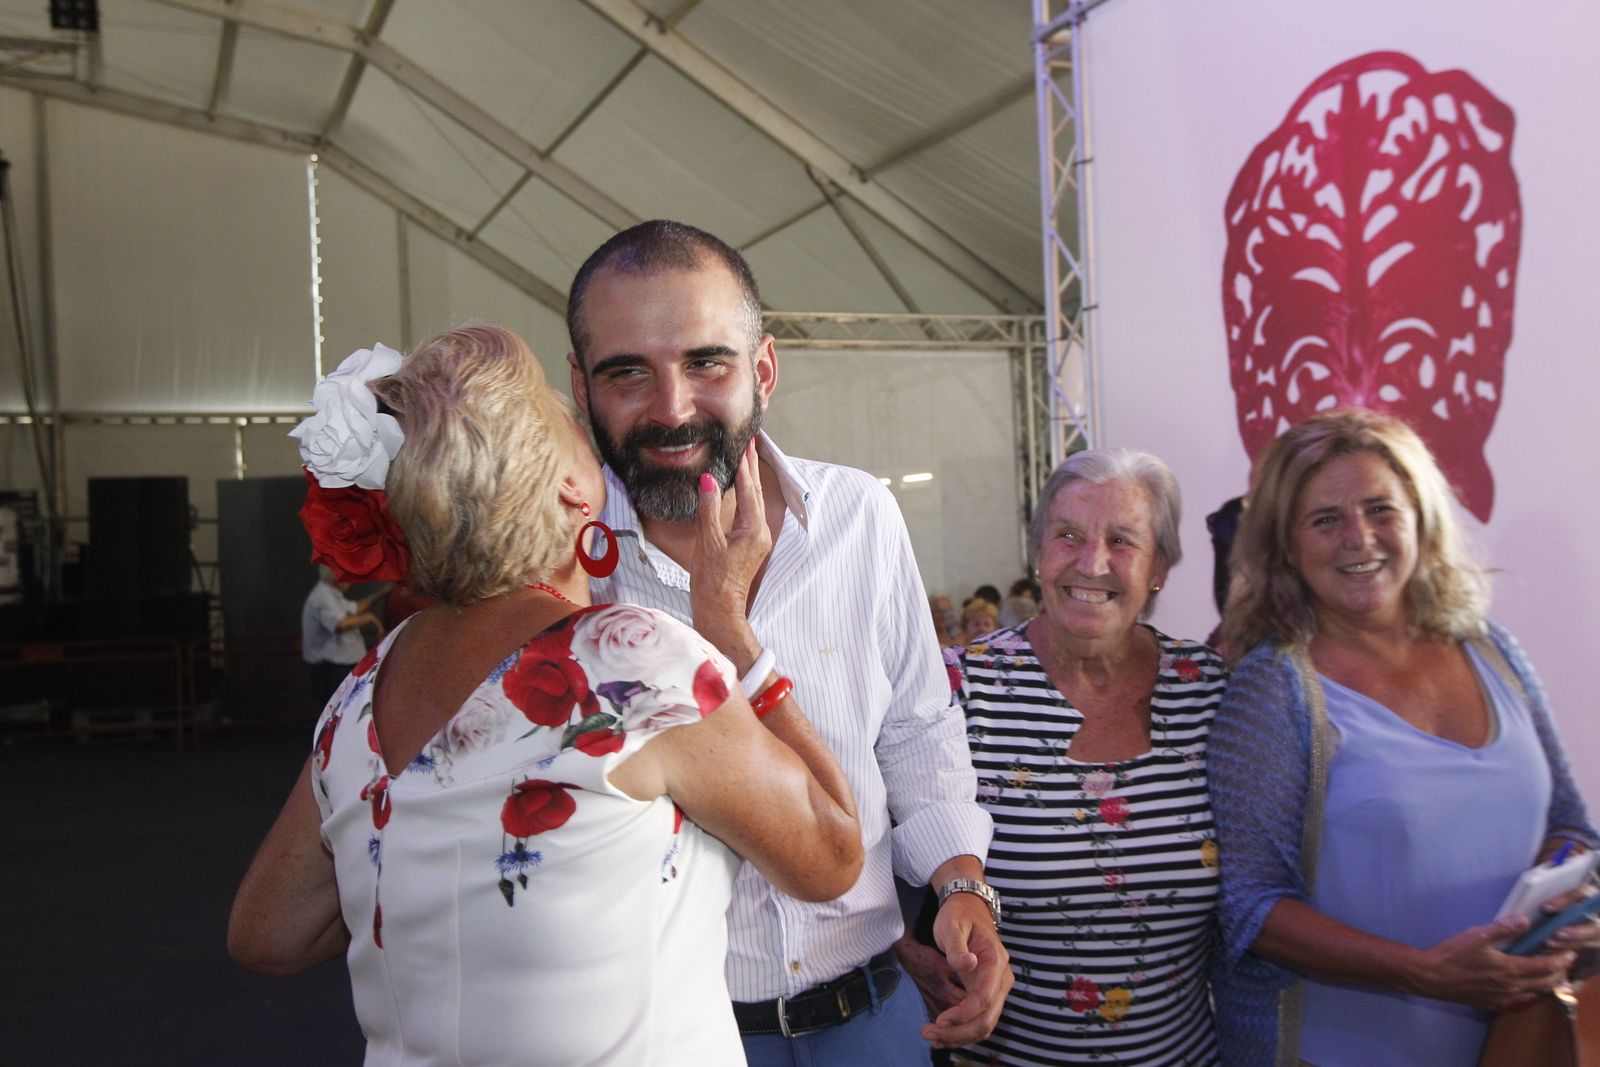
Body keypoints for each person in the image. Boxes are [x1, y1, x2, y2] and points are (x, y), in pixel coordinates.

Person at [229, 326, 864, 1066]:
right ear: (569, 488)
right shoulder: (630, 662)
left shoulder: (364, 690)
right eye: (570, 420)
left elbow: (266, 933)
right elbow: (832, 855)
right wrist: (732, 633)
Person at [565, 219, 1010, 1063]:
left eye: (706, 362)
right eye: (628, 371)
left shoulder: (859, 517)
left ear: (763, 368)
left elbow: (918, 728)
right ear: (582, 386)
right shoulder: (564, 569)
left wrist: (961, 888)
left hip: (876, 1017)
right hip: (672, 1036)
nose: (671, 406)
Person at [1209, 407, 1600, 1066]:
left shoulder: (1491, 648)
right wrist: (1424, 970)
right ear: (1286, 545)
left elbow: (1570, 823)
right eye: (1325, 519)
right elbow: (1251, 908)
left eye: (1380, 508)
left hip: (1513, 1044)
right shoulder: (1274, 688)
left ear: (1421, 516)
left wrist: (1568, 901)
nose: (1359, 538)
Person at [900, 448, 1226, 1066]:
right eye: (1068, 535)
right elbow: (858, 837)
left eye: (1123, 541)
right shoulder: (961, 689)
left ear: (1160, 566)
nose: (1091, 562)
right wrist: (901, 950)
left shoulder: (1207, 688)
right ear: (1038, 551)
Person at [300, 565, 386, 707]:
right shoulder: (322, 596)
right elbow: (341, 625)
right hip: (332, 672)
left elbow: (354, 608)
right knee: (338, 715)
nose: (351, 579)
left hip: (340, 670)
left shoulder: (331, 594)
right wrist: (370, 618)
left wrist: (383, 592)